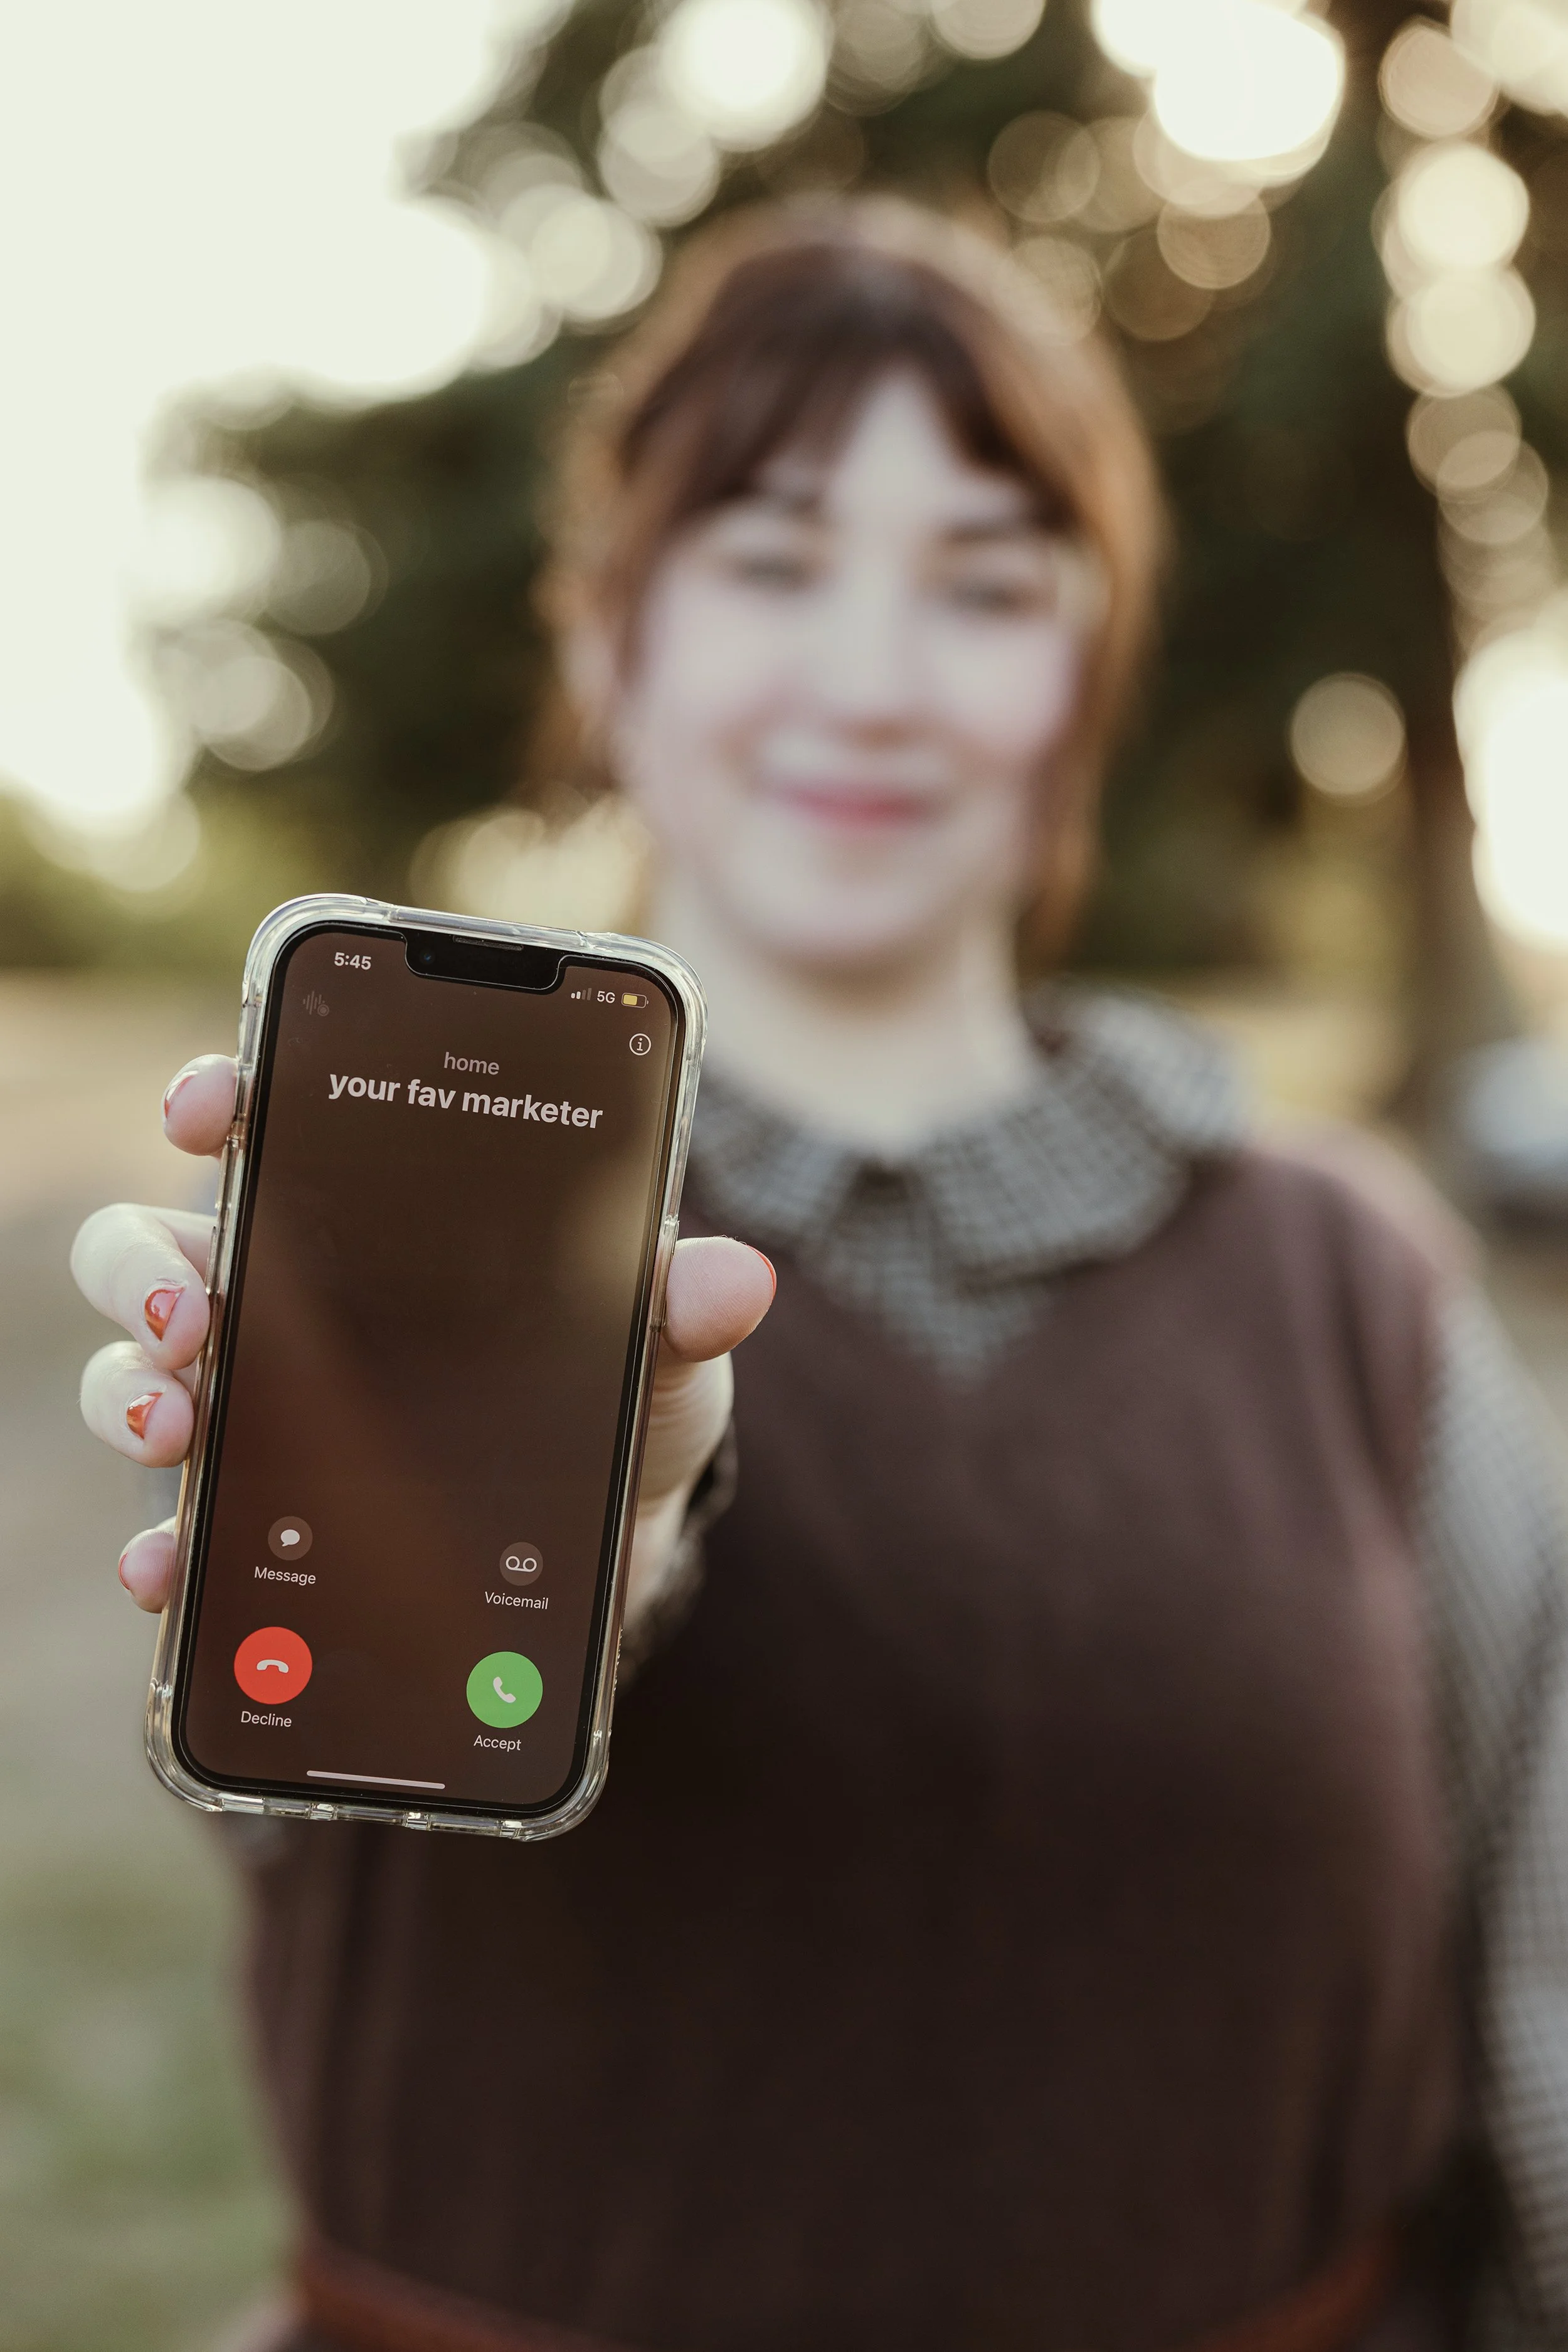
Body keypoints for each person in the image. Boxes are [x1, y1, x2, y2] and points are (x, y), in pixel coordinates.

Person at [71, 199, 1568, 2352]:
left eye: (982, 582)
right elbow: (363, 1748)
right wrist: (618, 1502)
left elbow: (1536, 1990)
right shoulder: (384, 1220)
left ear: (1083, 668)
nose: (869, 674)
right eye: (770, 561)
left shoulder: (1353, 1285)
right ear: (611, 644)